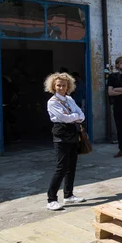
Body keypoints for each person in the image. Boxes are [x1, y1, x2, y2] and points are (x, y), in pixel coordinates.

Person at [44, 72, 86, 210]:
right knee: (61, 167)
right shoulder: (52, 102)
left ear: (68, 86)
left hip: (73, 133)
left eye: (64, 85)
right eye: (58, 85)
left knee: (71, 166)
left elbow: (82, 115)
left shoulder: (69, 99)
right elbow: (64, 118)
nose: (61, 88)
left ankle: (68, 195)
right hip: (61, 135)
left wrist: (73, 116)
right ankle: (51, 199)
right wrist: (74, 116)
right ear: (53, 86)